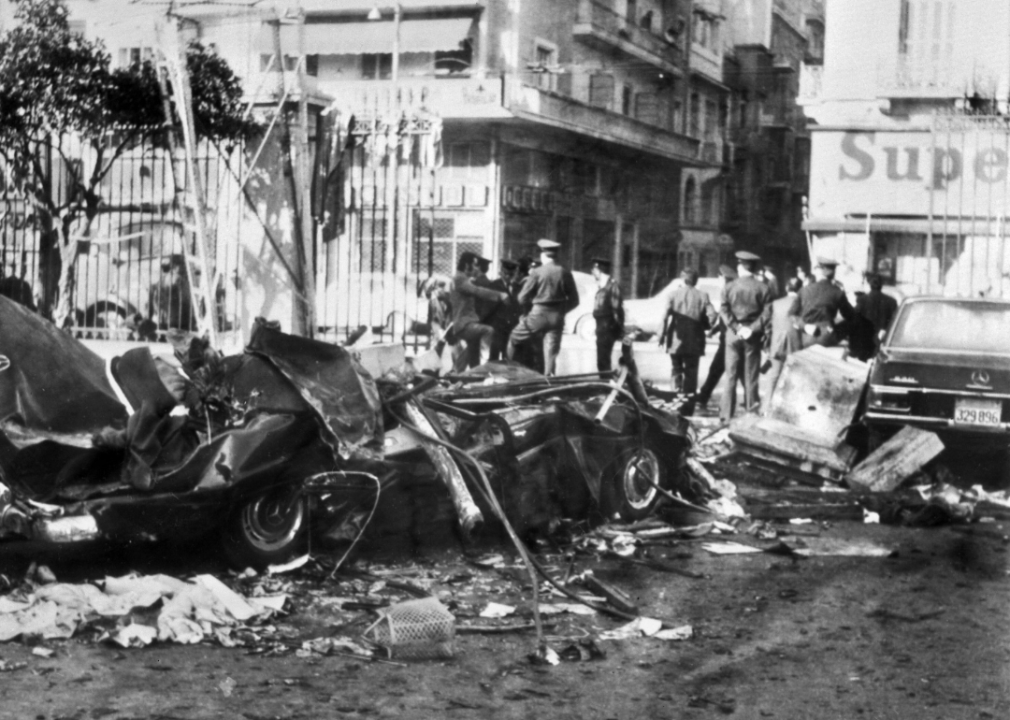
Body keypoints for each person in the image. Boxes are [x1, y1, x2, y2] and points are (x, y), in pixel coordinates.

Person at [507, 239, 579, 376]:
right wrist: (561, 311)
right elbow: (575, 300)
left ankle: (510, 371)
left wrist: (528, 310)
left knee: (514, 338)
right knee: (550, 351)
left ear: (543, 255)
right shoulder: (565, 272)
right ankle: (548, 380)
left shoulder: (537, 272)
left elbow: (521, 297)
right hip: (557, 317)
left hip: (538, 315)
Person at [720, 250, 773, 423]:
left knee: (731, 376)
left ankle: (726, 416)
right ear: (753, 267)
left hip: (733, 336)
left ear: (740, 266)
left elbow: (724, 311)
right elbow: (767, 313)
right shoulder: (764, 288)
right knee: (751, 377)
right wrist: (752, 329)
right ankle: (751, 414)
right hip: (752, 337)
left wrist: (737, 328)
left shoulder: (729, 287)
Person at [661, 268, 717, 415]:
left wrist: (661, 335)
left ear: (682, 279)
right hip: (695, 341)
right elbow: (712, 315)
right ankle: (687, 409)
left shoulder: (672, 295)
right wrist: (705, 325)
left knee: (676, 371)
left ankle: (676, 402)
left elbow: (665, 316)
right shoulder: (703, 295)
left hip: (675, 341)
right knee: (691, 375)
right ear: (696, 280)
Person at [450, 251, 508, 370]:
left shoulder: (461, 278)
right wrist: (500, 295)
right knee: (488, 331)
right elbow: (477, 291)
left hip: (466, 322)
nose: (477, 269)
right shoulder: (460, 278)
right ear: (467, 265)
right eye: (475, 265)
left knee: (472, 347)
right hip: (463, 324)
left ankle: (455, 371)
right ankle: (484, 365)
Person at [786, 256, 855, 353]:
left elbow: (791, 314)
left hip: (806, 337)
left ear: (820, 271)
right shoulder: (837, 292)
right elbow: (850, 315)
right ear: (833, 273)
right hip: (827, 338)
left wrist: (804, 326)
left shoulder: (804, 290)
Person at [695, 264, 737, 410]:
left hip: (728, 339)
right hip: (727, 337)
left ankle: (705, 396)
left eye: (719, 278)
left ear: (723, 278)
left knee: (717, 369)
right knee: (721, 370)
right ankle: (704, 396)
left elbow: (728, 317)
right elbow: (724, 317)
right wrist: (714, 330)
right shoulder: (729, 291)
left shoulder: (729, 292)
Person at [764, 277, 803, 395]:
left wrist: (767, 345)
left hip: (777, 345)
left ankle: (766, 408)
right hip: (796, 345)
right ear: (801, 289)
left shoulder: (775, 303)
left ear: (787, 288)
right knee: (795, 378)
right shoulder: (802, 305)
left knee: (774, 376)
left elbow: (768, 325)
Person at [850, 274, 898, 361]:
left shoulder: (862, 300)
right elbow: (895, 324)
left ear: (869, 285)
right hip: (883, 345)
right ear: (881, 285)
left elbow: (853, 320)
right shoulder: (892, 302)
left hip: (865, 344)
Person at [590, 257, 624, 373]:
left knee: (603, 359)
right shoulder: (602, 287)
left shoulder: (612, 286)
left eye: (594, 270)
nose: (592, 273)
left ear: (600, 270)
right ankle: (605, 383)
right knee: (602, 360)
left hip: (607, 327)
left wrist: (615, 329)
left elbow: (616, 309)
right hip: (601, 327)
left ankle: (606, 384)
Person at [484, 259, 522, 361]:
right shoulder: (493, 285)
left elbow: (520, 306)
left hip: (513, 326)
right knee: (494, 355)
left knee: (510, 356)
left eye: (511, 274)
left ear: (514, 274)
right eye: (506, 273)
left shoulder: (519, 287)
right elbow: (488, 307)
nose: (508, 277)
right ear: (501, 272)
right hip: (498, 326)